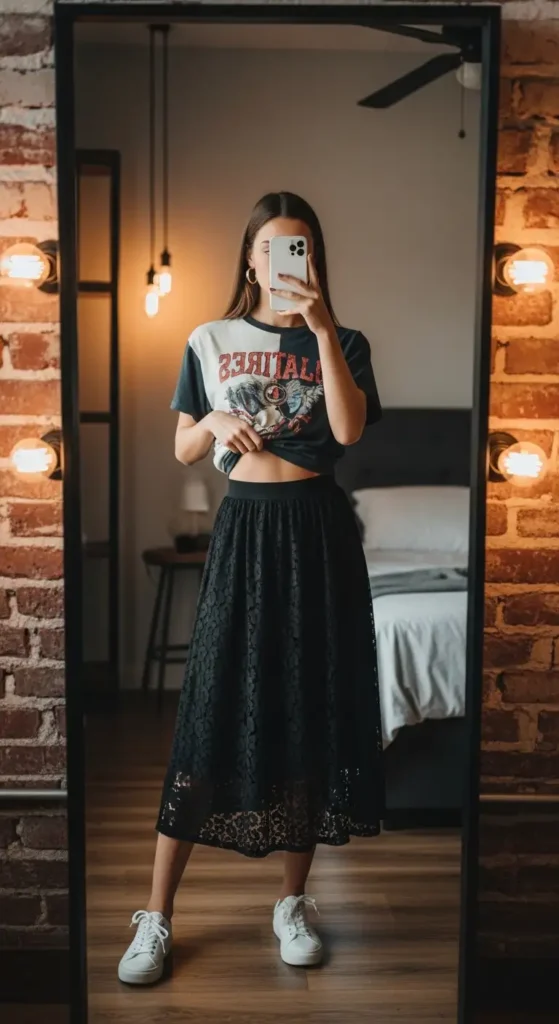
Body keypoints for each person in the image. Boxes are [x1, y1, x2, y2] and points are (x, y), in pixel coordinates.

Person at [118, 191, 385, 985]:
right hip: (244, 529)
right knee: (206, 716)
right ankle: (157, 916)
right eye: (271, 249)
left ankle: (291, 903)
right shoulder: (208, 337)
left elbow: (345, 431)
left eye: (298, 248)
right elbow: (181, 447)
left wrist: (324, 330)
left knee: (304, 710)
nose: (282, 263)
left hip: (317, 532)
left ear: (314, 261)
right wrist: (211, 428)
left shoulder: (346, 340)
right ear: (249, 261)